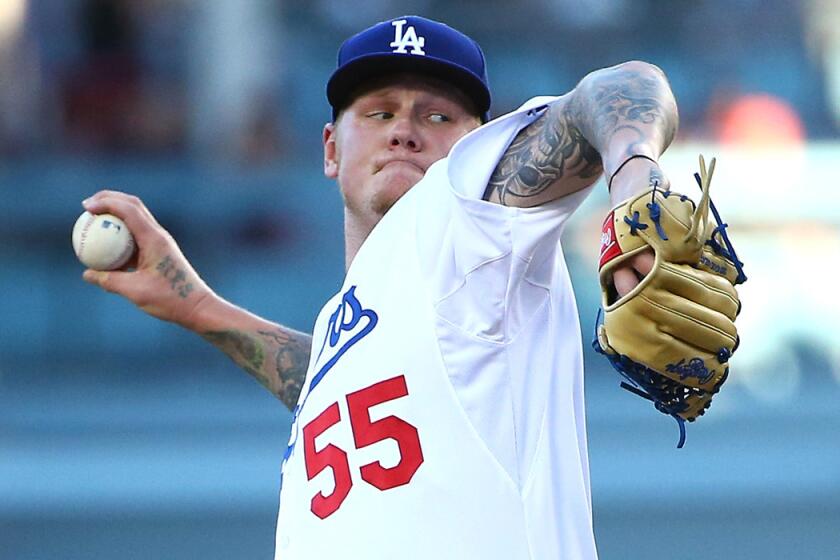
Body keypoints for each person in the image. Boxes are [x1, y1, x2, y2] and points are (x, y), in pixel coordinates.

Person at [82, 15, 678, 560]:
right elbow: (341, 392)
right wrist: (199, 307)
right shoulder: (367, 306)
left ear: (482, 142)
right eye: (379, 112)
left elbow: (621, 87)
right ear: (331, 148)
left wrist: (631, 175)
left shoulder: (463, 219)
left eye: (437, 115)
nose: (405, 131)